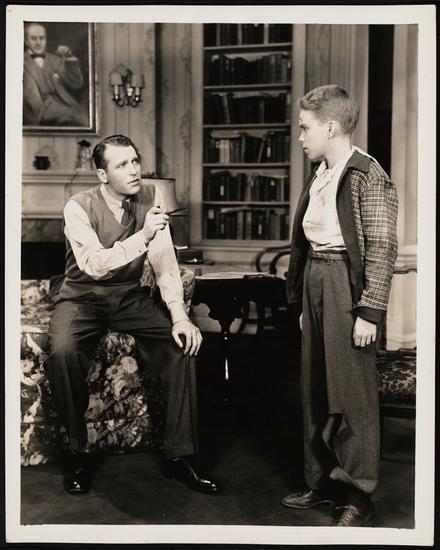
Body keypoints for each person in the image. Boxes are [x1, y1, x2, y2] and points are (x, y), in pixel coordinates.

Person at [46, 134, 222, 496]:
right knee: (62, 352)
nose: (133, 170)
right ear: (102, 175)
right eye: (122, 164)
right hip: (83, 297)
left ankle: (179, 455)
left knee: (181, 345)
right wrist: (142, 236)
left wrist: (180, 316)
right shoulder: (77, 207)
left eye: (135, 161)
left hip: (129, 297)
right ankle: (76, 453)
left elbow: (164, 262)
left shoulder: (150, 196)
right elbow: (95, 265)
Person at [281, 85, 398, 526]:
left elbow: (383, 248)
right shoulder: (321, 173)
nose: (300, 137)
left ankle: (358, 494)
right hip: (316, 280)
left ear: (330, 127)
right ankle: (321, 483)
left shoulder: (367, 174)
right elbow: (307, 240)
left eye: (305, 128)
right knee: (315, 386)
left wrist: (369, 311)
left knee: (351, 393)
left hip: (346, 287)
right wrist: (303, 299)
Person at [23, 22, 88, 126]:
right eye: (33, 39)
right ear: (26, 41)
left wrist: (68, 57)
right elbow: (32, 104)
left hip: (63, 104)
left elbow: (76, 83)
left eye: (42, 38)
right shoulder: (20, 63)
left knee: (83, 116)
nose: (38, 43)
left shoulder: (54, 60)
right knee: (76, 116)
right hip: (39, 111)